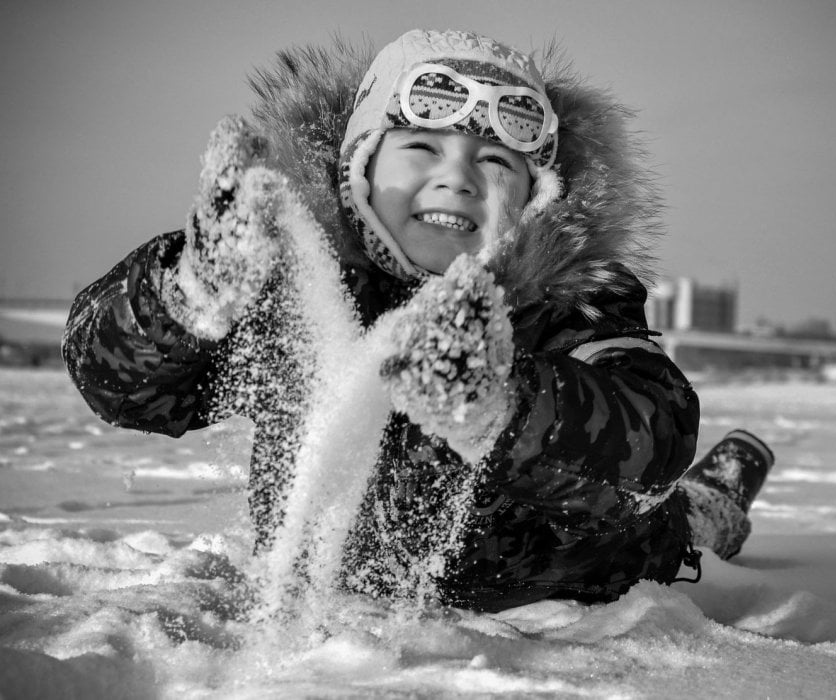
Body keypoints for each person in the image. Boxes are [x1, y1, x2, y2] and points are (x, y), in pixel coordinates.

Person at [62, 28, 774, 613]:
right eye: (421, 148)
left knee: (685, 516)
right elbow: (118, 386)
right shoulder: (300, 292)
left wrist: (503, 403)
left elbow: (653, 426)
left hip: (577, 584)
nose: (457, 176)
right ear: (358, 171)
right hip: (348, 590)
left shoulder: (569, 301)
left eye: (495, 159)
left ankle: (717, 495)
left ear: (538, 195)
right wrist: (187, 296)